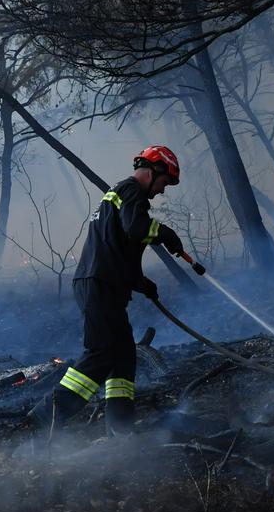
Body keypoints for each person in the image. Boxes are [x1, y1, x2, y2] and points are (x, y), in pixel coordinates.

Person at [46, 146, 186, 428]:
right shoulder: (132, 191)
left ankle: (121, 428)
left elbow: (118, 246)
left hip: (104, 284)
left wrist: (141, 282)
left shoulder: (122, 195)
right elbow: (136, 228)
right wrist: (164, 232)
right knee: (101, 352)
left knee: (123, 355)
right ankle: (46, 417)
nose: (162, 191)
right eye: (164, 182)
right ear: (153, 171)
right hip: (99, 285)